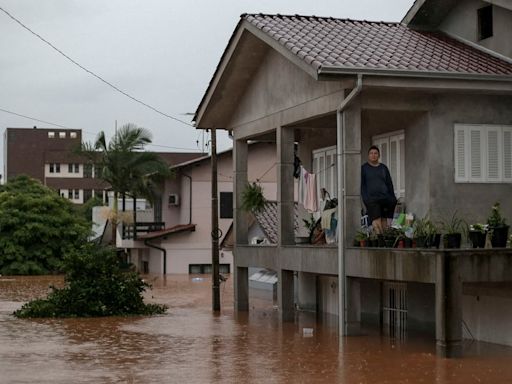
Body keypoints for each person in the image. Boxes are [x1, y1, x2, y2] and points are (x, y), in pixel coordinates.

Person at [361, 145, 397, 234]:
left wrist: (392, 198)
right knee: (376, 221)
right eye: (371, 153)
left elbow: (389, 183)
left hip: (385, 198)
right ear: (368, 156)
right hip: (372, 200)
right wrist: (366, 199)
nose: (373, 155)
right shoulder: (364, 168)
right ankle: (379, 239)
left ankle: (384, 241)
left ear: (379, 155)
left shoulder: (383, 168)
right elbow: (362, 185)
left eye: (375, 153)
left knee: (385, 221)